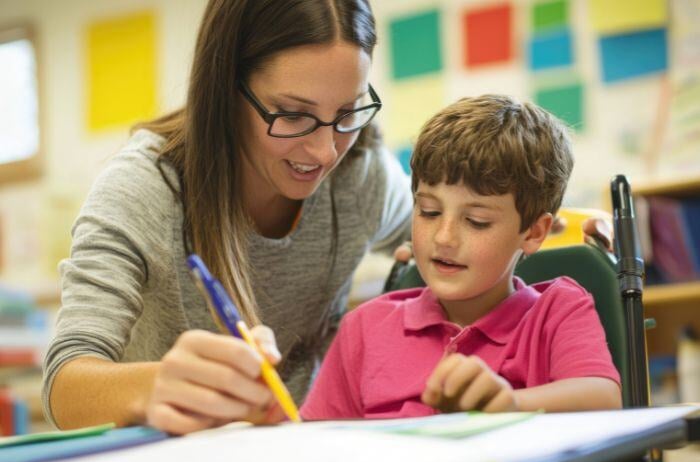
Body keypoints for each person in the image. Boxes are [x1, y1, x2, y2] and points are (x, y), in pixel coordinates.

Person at [43, 0, 612, 435]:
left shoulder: (358, 173)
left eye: (346, 113)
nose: (323, 153)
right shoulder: (145, 189)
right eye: (292, 115)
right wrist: (156, 385)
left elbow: (467, 218)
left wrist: (577, 226)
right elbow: (65, 384)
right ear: (225, 89)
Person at [300, 95, 622, 420]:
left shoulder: (558, 311)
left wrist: (511, 404)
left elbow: (604, 398)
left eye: (476, 221)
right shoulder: (364, 328)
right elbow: (315, 439)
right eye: (429, 212)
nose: (444, 237)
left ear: (534, 232)